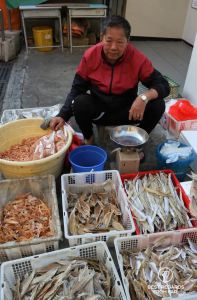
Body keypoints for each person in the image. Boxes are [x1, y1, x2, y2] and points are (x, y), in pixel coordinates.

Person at [50, 15, 170, 144]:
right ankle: (89, 139)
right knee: (79, 102)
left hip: (129, 112)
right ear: (101, 37)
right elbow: (77, 88)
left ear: (127, 41)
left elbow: (163, 84)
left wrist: (143, 98)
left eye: (120, 42)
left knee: (158, 104)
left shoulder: (137, 59)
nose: (113, 47)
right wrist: (62, 115)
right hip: (100, 112)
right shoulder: (90, 56)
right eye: (109, 40)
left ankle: (136, 141)